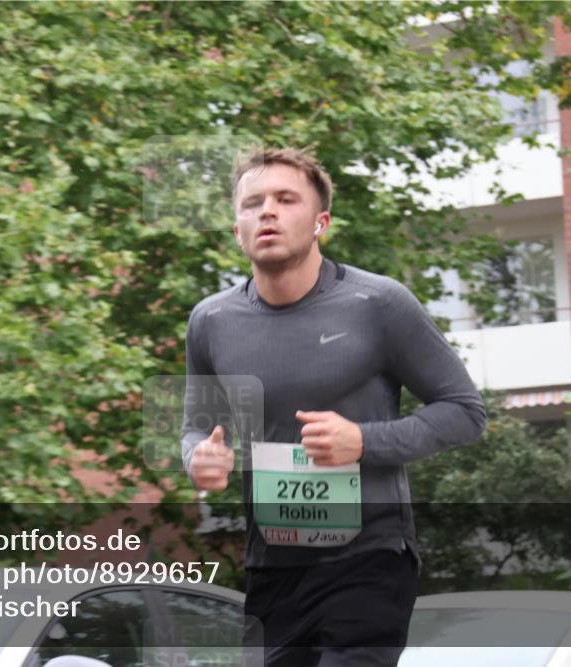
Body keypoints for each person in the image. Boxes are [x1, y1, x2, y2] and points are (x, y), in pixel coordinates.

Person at [180, 147, 487, 666]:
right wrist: (198, 460)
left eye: (285, 199)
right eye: (253, 203)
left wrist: (364, 441)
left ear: (320, 221)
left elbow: (464, 411)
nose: (268, 212)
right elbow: (195, 429)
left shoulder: (378, 303)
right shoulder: (211, 321)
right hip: (272, 567)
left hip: (369, 558)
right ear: (237, 230)